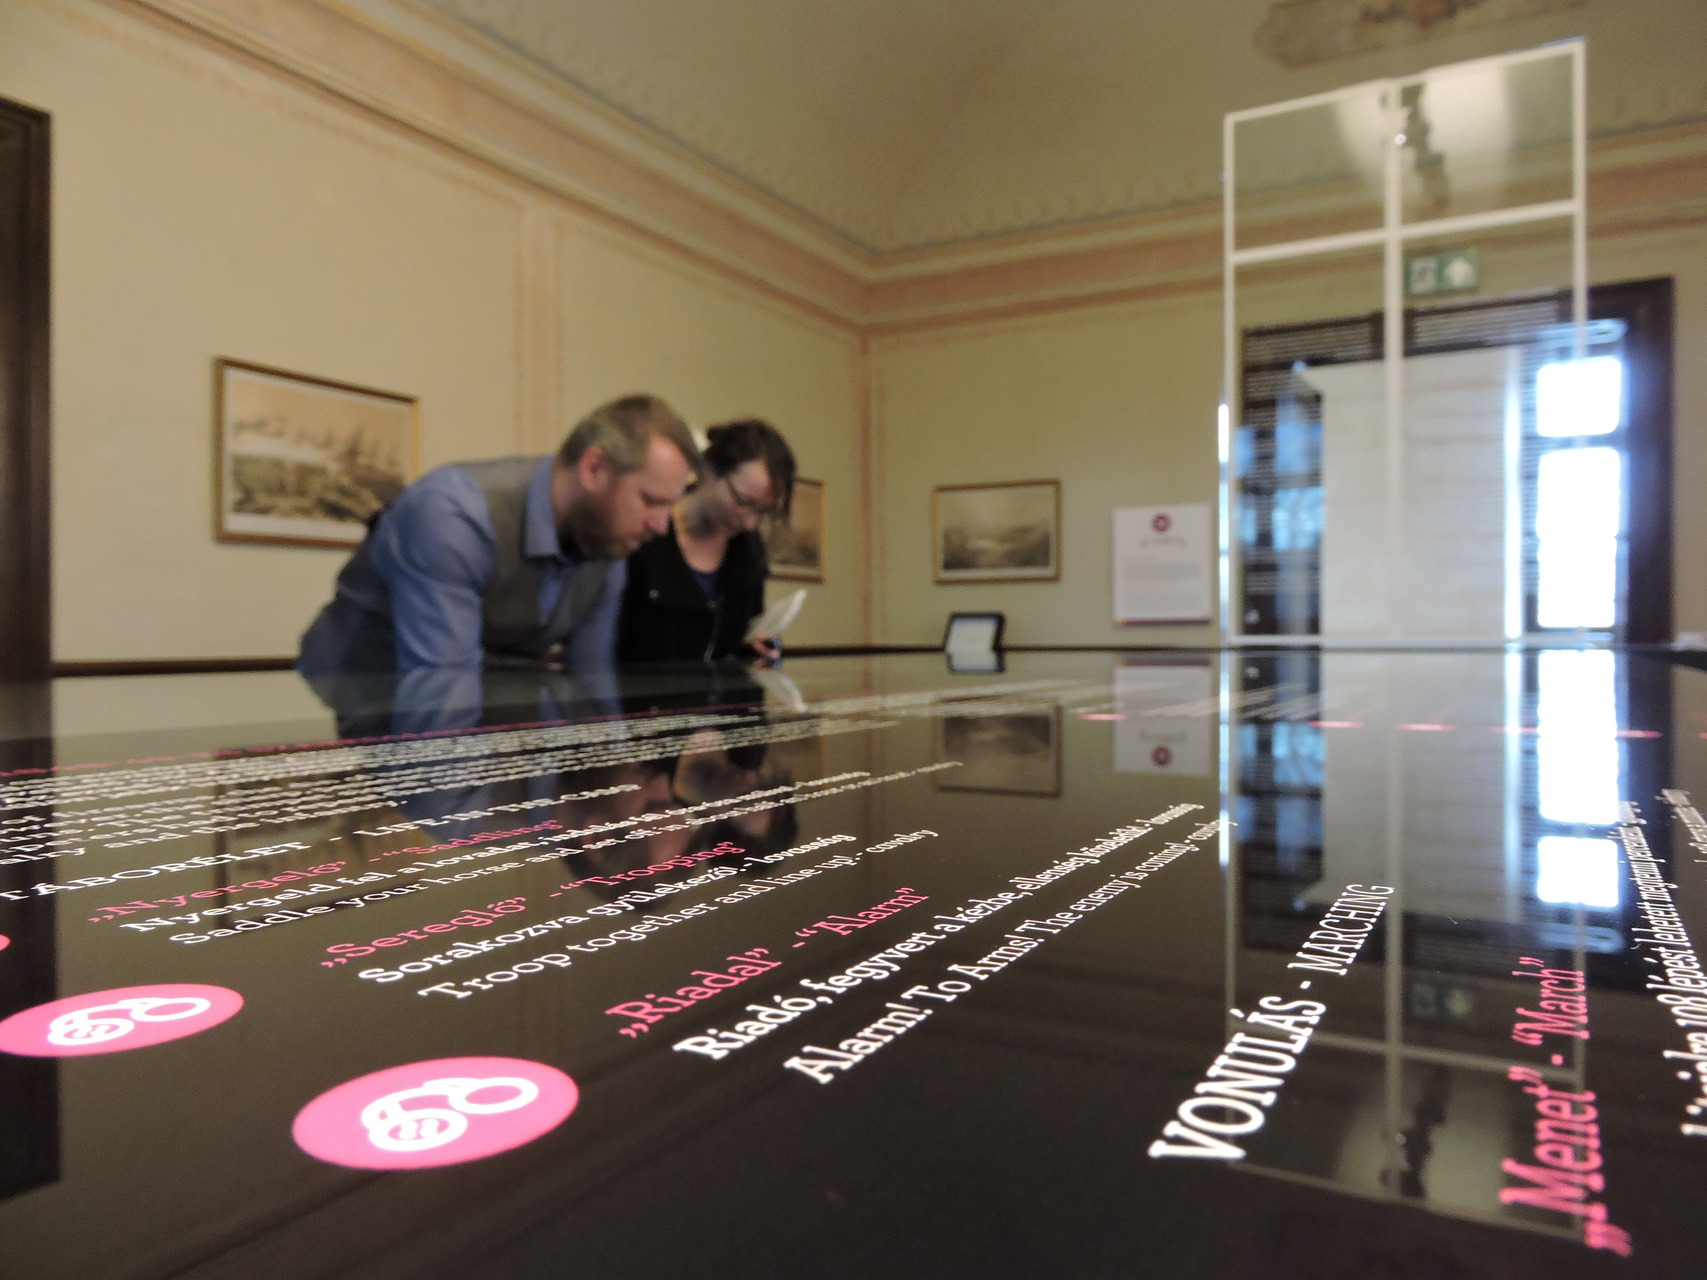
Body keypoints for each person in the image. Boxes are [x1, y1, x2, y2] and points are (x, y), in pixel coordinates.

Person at [298, 394, 700, 674]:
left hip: (472, 708)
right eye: (651, 500)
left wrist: (612, 764)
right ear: (595, 468)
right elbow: (443, 692)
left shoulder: (607, 539)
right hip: (350, 709)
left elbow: (591, 675)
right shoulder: (453, 515)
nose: (661, 525)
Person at [617, 418, 795, 667]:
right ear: (708, 469)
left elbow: (737, 643)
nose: (750, 523)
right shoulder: (646, 532)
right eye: (742, 501)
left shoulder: (748, 552)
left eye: (763, 512)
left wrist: (756, 651)